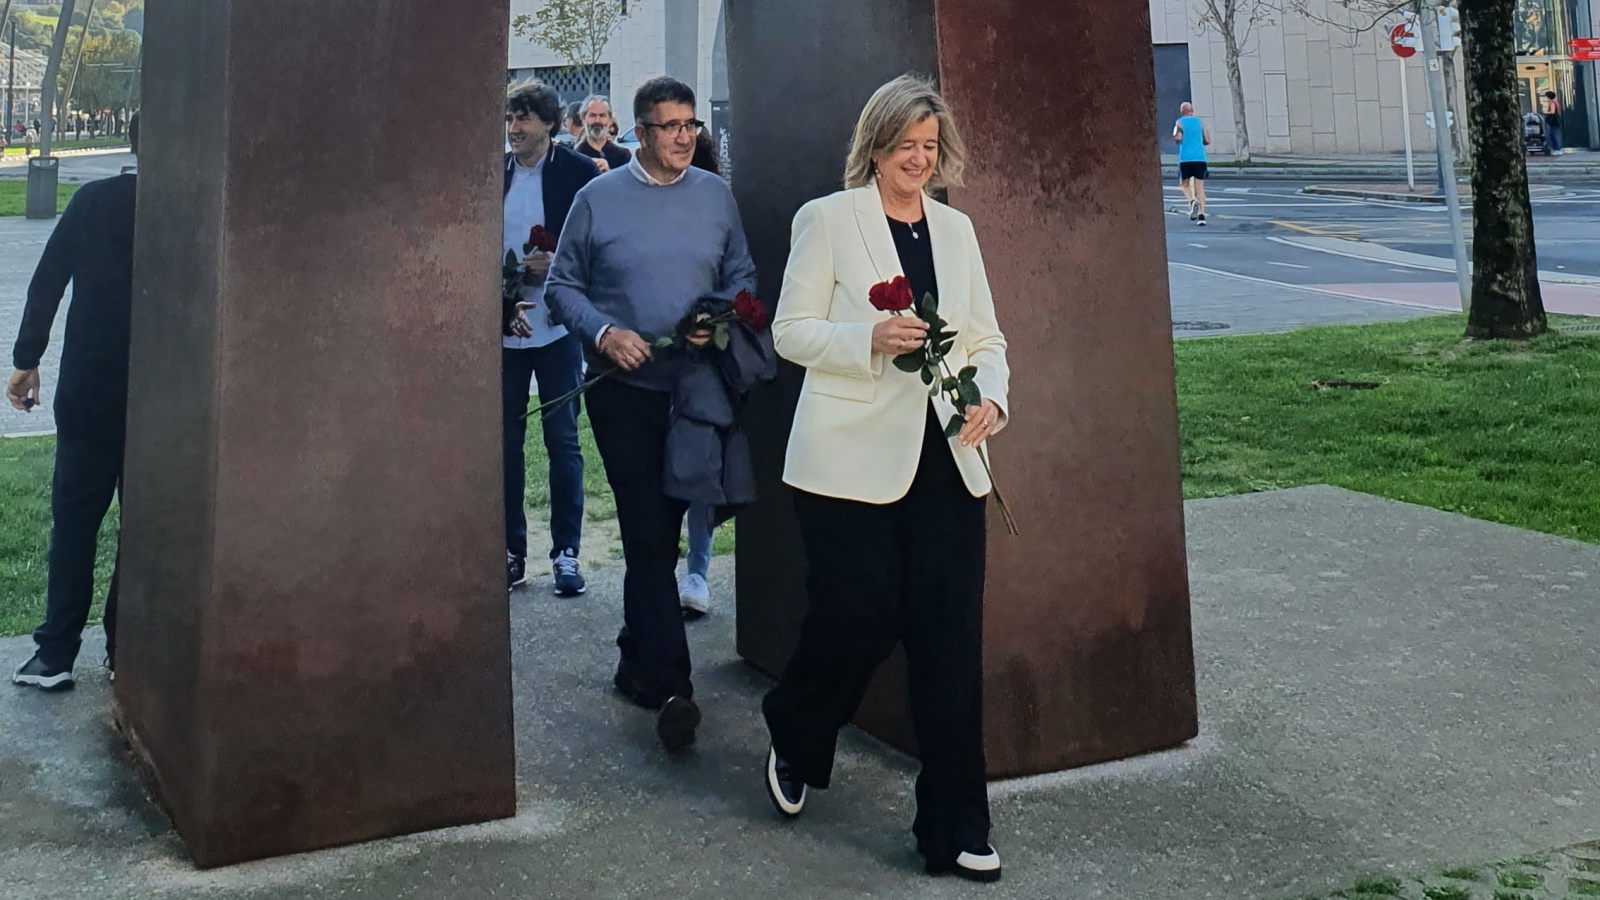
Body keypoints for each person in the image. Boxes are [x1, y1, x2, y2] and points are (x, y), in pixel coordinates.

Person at [759, 75, 1011, 883]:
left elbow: (985, 340)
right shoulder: (827, 220)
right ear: (874, 146)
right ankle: (798, 726)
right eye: (906, 146)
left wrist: (994, 402)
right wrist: (869, 338)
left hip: (948, 462)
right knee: (858, 618)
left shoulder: (958, 231)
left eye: (930, 148)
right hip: (846, 462)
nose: (919, 160)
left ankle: (957, 826)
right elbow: (792, 332)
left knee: (948, 644)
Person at [546, 76, 756, 752]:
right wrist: (604, 332)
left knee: (666, 523)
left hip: (693, 387)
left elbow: (742, 277)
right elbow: (561, 286)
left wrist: (715, 316)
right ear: (639, 130)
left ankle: (638, 655)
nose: (684, 137)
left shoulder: (716, 197)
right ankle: (674, 690)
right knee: (646, 530)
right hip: (622, 391)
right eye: (669, 126)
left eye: (691, 125)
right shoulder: (596, 199)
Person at [8, 114, 141, 691]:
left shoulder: (93, 202)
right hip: (167, 397)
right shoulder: (196, 207)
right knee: (145, 525)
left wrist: (26, 358)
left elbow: (48, 282)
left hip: (91, 387)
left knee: (75, 521)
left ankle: (56, 652)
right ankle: (125, 645)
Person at [501, 80, 597, 596]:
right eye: (510, 119)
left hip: (557, 329)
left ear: (549, 124)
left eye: (523, 119)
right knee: (506, 444)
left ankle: (566, 553)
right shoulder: (493, 174)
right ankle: (512, 550)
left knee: (562, 442)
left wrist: (556, 262)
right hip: (504, 330)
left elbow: (596, 250)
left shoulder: (580, 174)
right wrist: (501, 301)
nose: (514, 129)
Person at [674, 127, 727, 619]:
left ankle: (697, 571)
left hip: (703, 355)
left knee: (699, 467)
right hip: (660, 352)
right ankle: (682, 571)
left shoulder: (717, 205)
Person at [1173, 102, 1211, 227]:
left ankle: (1192, 200)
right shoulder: (1200, 123)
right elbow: (1207, 140)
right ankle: (1201, 216)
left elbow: (1177, 137)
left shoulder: (1179, 122)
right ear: (1192, 110)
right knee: (1199, 188)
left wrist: (1177, 139)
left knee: (1184, 184)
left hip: (1185, 159)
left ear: (1181, 111)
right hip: (1200, 158)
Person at [574, 95, 632, 174]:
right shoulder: (574, 157)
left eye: (602, 116)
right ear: (583, 118)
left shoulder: (623, 156)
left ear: (610, 119)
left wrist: (608, 173)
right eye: (592, 115)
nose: (597, 121)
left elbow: (627, 185)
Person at [1543, 91, 1563, 155]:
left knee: (1554, 135)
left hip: (1553, 121)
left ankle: (1558, 149)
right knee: (1553, 134)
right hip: (1554, 121)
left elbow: (1552, 112)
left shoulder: (1552, 103)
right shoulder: (1555, 102)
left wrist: (1545, 112)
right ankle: (1556, 149)